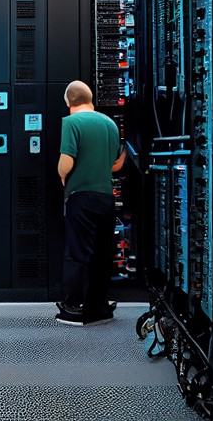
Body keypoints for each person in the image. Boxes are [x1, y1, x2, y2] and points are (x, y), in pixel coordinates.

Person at [56, 80, 126, 326]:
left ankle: (73, 307)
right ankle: (99, 307)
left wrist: (63, 175)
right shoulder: (109, 123)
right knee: (101, 253)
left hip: (81, 196)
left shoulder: (71, 123)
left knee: (77, 253)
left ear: (69, 102)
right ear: (91, 98)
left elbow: (67, 161)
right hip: (106, 197)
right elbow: (118, 163)